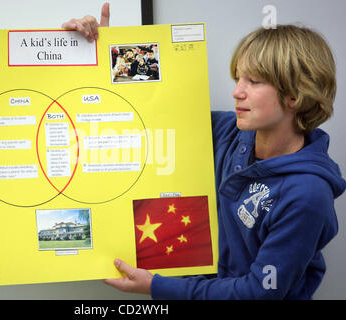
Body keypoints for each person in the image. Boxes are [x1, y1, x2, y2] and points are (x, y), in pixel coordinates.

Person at [62, 4, 346, 299]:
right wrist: (106, 55)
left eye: (254, 81)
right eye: (239, 78)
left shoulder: (307, 194)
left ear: (294, 95)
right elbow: (144, 115)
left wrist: (158, 286)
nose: (237, 91)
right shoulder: (228, 131)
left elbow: (257, 293)